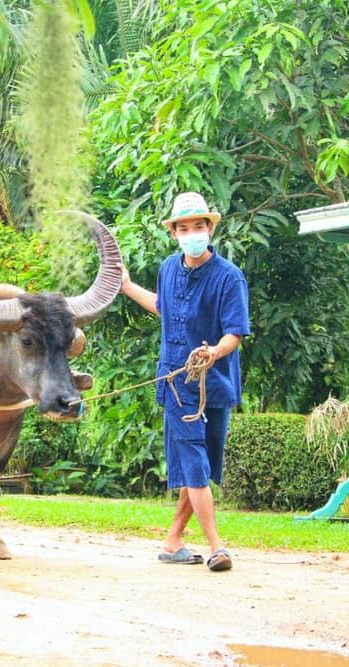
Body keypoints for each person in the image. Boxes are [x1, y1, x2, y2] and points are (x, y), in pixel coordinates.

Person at [118, 191, 250, 572]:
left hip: (216, 384)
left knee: (203, 466)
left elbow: (235, 333)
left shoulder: (229, 277)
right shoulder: (168, 268)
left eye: (198, 226)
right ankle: (216, 546)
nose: (191, 233)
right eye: (184, 228)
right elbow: (164, 307)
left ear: (210, 229)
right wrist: (127, 286)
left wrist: (213, 352)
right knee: (194, 462)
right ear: (174, 233)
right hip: (176, 382)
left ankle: (173, 539)